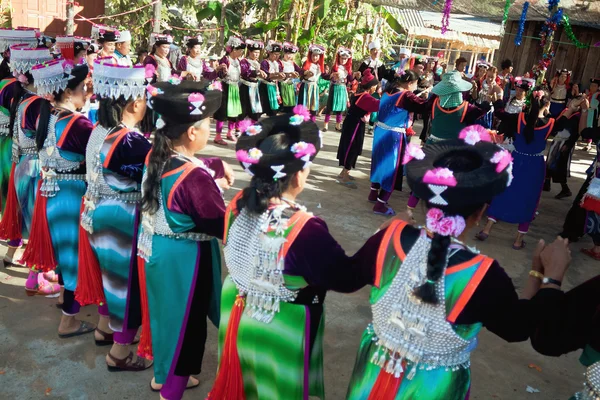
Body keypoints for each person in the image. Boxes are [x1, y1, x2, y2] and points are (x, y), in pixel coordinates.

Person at [346, 134, 570, 400]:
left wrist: (379, 236)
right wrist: (549, 277)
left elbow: (345, 278)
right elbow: (517, 328)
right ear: (480, 213)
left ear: (427, 203)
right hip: (435, 389)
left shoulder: (389, 240)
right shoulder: (484, 275)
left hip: (373, 374)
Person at [207, 110, 375, 400]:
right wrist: (381, 238)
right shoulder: (303, 229)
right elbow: (346, 278)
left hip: (238, 309)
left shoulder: (237, 203)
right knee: (278, 389)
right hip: (281, 325)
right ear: (298, 176)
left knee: (248, 384)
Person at [139, 80, 232, 400]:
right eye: (207, 124)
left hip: (161, 251)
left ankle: (162, 377)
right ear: (192, 132)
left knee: (167, 319)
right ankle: (171, 391)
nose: (210, 130)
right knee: (187, 329)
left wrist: (214, 166)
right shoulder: (193, 176)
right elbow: (223, 224)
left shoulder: (158, 156)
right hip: (187, 258)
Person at [77, 60, 152, 369]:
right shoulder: (131, 141)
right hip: (122, 217)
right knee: (127, 284)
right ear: (135, 102)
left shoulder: (99, 130)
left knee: (112, 278)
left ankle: (105, 328)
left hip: (96, 211)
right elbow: (152, 182)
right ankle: (119, 353)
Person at [20, 61, 97, 334]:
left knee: (66, 256)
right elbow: (98, 159)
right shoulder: (78, 124)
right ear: (69, 92)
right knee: (74, 258)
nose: (87, 93)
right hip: (71, 195)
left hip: (50, 194)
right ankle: (68, 321)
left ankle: (66, 299)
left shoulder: (46, 116)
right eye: (83, 88)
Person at [477, 91, 554, 249]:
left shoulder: (518, 118)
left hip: (515, 160)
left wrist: (498, 98)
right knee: (529, 198)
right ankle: (518, 240)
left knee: (503, 192)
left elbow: (500, 113)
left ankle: (486, 230)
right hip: (535, 165)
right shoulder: (551, 123)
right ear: (547, 104)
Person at [0, 44, 52, 268]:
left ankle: (12, 251)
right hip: (34, 165)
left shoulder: (21, 97)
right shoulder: (38, 103)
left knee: (21, 210)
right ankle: (34, 272)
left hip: (19, 160)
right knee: (36, 218)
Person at [369, 71, 434, 216]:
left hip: (380, 131)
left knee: (379, 164)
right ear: (410, 83)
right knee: (392, 168)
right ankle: (380, 205)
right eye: (415, 84)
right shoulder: (405, 95)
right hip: (393, 135)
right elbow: (424, 107)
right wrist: (433, 95)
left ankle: (373, 194)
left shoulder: (387, 91)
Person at [336, 70, 380, 187]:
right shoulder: (365, 97)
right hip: (354, 124)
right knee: (352, 147)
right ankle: (345, 175)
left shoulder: (360, 94)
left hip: (352, 123)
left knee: (350, 146)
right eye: (375, 86)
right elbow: (378, 105)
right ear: (370, 87)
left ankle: (343, 172)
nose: (376, 88)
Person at [544, 97, 584, 199]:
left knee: (559, 165)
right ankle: (547, 183)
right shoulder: (566, 112)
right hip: (557, 140)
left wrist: (569, 144)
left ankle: (565, 189)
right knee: (550, 162)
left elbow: (576, 133)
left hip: (565, 143)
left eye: (574, 101)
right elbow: (557, 123)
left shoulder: (578, 116)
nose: (570, 102)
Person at [214, 36, 246, 145]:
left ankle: (229, 132)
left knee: (234, 111)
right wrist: (223, 71)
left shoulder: (238, 61)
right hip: (225, 86)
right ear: (233, 50)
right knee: (222, 111)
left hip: (235, 87)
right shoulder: (225, 60)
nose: (241, 52)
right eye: (240, 50)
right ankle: (218, 136)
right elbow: (219, 74)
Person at [324, 47, 353, 132]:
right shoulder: (335, 67)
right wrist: (334, 76)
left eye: (345, 59)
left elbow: (350, 79)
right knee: (329, 106)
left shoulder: (348, 69)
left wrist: (355, 76)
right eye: (342, 58)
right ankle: (325, 124)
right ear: (339, 58)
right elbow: (331, 78)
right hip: (335, 87)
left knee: (340, 108)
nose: (343, 60)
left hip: (342, 88)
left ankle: (338, 125)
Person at [298, 44, 328, 122]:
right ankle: (302, 124)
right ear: (310, 55)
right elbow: (301, 75)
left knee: (313, 107)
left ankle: (312, 124)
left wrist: (332, 75)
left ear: (320, 57)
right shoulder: (306, 64)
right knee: (303, 106)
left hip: (314, 87)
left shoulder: (320, 66)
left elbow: (325, 75)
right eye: (313, 55)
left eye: (317, 56)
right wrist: (306, 74)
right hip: (305, 86)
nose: (315, 57)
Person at [239, 39, 266, 124]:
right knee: (243, 108)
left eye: (258, 53)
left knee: (255, 110)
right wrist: (257, 72)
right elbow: (245, 72)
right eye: (254, 52)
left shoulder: (258, 63)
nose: (256, 54)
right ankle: (238, 128)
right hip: (245, 87)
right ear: (249, 52)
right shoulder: (244, 61)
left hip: (255, 88)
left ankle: (252, 127)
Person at [260, 41, 284, 117]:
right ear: (269, 53)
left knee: (274, 110)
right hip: (265, 87)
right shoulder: (265, 62)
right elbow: (266, 75)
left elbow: (281, 72)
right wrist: (277, 75)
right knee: (266, 106)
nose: (277, 56)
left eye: (278, 54)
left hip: (275, 86)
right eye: (275, 54)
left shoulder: (278, 63)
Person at [279, 42, 302, 113]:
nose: (289, 56)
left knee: (291, 107)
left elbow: (300, 71)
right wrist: (289, 74)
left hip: (291, 87)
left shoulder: (293, 63)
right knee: (283, 107)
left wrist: (306, 72)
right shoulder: (280, 62)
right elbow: (279, 73)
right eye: (287, 53)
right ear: (284, 53)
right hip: (282, 86)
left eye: (291, 54)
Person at [583, 77, 600, 151]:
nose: (592, 87)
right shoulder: (589, 94)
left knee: (591, 126)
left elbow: (594, 105)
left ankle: (589, 143)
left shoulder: (598, 95)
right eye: (591, 85)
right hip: (588, 112)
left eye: (594, 86)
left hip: (593, 114)